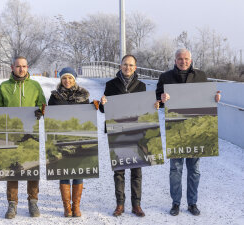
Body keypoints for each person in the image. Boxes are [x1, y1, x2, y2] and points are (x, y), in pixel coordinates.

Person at [156, 48, 221, 216]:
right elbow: (156, 101)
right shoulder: (165, 77)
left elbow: (207, 98)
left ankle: (192, 203)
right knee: (175, 170)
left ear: (190, 60)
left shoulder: (201, 75)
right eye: (179, 59)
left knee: (194, 170)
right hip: (176, 129)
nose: (183, 61)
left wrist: (215, 98)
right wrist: (161, 99)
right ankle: (175, 203)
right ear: (175, 60)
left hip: (195, 129)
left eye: (186, 59)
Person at [0, 56, 46, 218]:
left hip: (30, 133)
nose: (21, 69)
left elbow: (43, 105)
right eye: (18, 66)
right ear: (12, 67)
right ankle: (12, 203)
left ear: (27, 67)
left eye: (24, 66)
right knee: (12, 168)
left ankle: (33, 201)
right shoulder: (4, 86)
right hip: (12, 132)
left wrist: (40, 111)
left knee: (31, 168)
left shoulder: (35, 86)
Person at [100, 55, 146, 217]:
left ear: (135, 67)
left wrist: (153, 106)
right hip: (117, 130)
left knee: (136, 170)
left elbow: (144, 109)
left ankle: (136, 204)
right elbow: (104, 110)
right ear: (120, 66)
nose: (127, 67)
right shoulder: (111, 85)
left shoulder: (141, 86)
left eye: (131, 65)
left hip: (135, 130)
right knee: (119, 170)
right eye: (125, 64)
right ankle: (120, 204)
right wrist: (103, 104)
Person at [48, 67, 90, 217]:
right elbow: (51, 118)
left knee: (78, 171)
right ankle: (67, 207)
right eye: (64, 78)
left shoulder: (83, 96)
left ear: (74, 79)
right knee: (64, 171)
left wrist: (94, 107)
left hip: (78, 138)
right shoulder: (54, 97)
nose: (67, 81)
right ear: (61, 80)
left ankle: (76, 206)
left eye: (70, 78)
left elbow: (87, 117)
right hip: (61, 138)